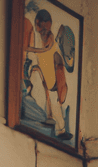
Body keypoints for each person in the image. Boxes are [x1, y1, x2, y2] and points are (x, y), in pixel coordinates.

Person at [24, 5, 71, 141]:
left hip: (52, 81)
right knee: (42, 101)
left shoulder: (52, 44)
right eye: (41, 28)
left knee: (56, 106)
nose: (44, 32)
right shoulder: (35, 38)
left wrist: (60, 84)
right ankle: (46, 121)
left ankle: (60, 130)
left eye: (46, 28)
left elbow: (59, 65)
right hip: (40, 77)